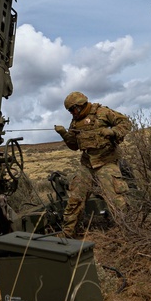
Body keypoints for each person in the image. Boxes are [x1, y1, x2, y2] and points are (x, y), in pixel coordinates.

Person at [53, 91, 131, 239]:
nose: (71, 113)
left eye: (72, 109)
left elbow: (125, 122)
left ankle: (127, 230)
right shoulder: (75, 122)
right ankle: (69, 232)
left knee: (116, 198)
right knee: (75, 198)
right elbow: (74, 146)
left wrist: (113, 131)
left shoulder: (102, 112)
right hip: (87, 165)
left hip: (106, 162)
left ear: (80, 105)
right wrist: (64, 134)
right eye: (69, 111)